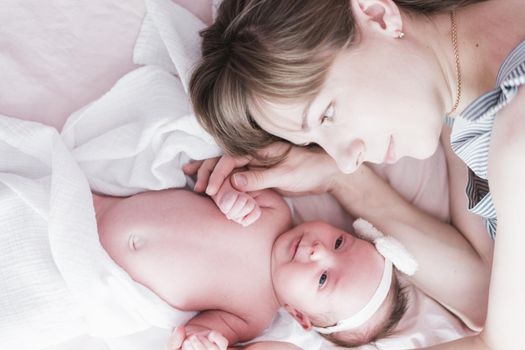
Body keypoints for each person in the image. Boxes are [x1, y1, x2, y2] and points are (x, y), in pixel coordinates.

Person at [187, 0, 525, 348]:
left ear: (377, 13)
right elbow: (488, 298)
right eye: (314, 142)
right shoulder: (465, 106)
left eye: (327, 116)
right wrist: (341, 179)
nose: (348, 158)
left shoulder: (514, 142)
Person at [93, 168, 485, 350]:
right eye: (338, 244)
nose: (317, 252)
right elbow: (225, 177)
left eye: (321, 280)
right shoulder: (274, 211)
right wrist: (229, 194)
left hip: (97, 264)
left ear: (298, 317)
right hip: (100, 201)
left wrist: (206, 341)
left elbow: (206, 330)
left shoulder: (252, 318)